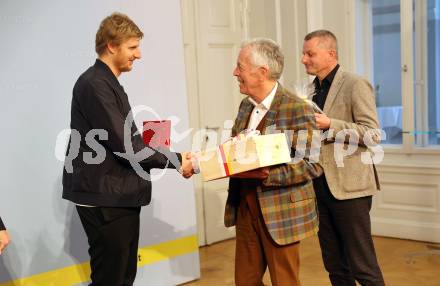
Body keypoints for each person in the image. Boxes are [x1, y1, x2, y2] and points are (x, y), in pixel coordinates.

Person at [62, 12, 194, 286]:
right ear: (112, 46)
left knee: (122, 276)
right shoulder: (95, 84)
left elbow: (125, 141)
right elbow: (126, 146)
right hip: (105, 199)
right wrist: (178, 159)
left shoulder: (106, 82)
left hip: (115, 196)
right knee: (112, 279)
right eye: (133, 47)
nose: (139, 54)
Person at [224, 38, 322, 286]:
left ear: (262, 72)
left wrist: (268, 174)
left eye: (240, 67)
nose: (235, 72)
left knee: (284, 282)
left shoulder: (297, 108)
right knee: (245, 281)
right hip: (245, 209)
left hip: (280, 214)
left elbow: (312, 163)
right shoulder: (245, 107)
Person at [301, 29, 385, 286]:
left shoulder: (355, 83)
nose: (304, 59)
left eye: (310, 53)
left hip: (350, 190)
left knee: (363, 266)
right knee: (335, 265)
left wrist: (330, 124)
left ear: (331, 54)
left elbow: (373, 134)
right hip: (319, 186)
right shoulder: (308, 90)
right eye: (303, 54)